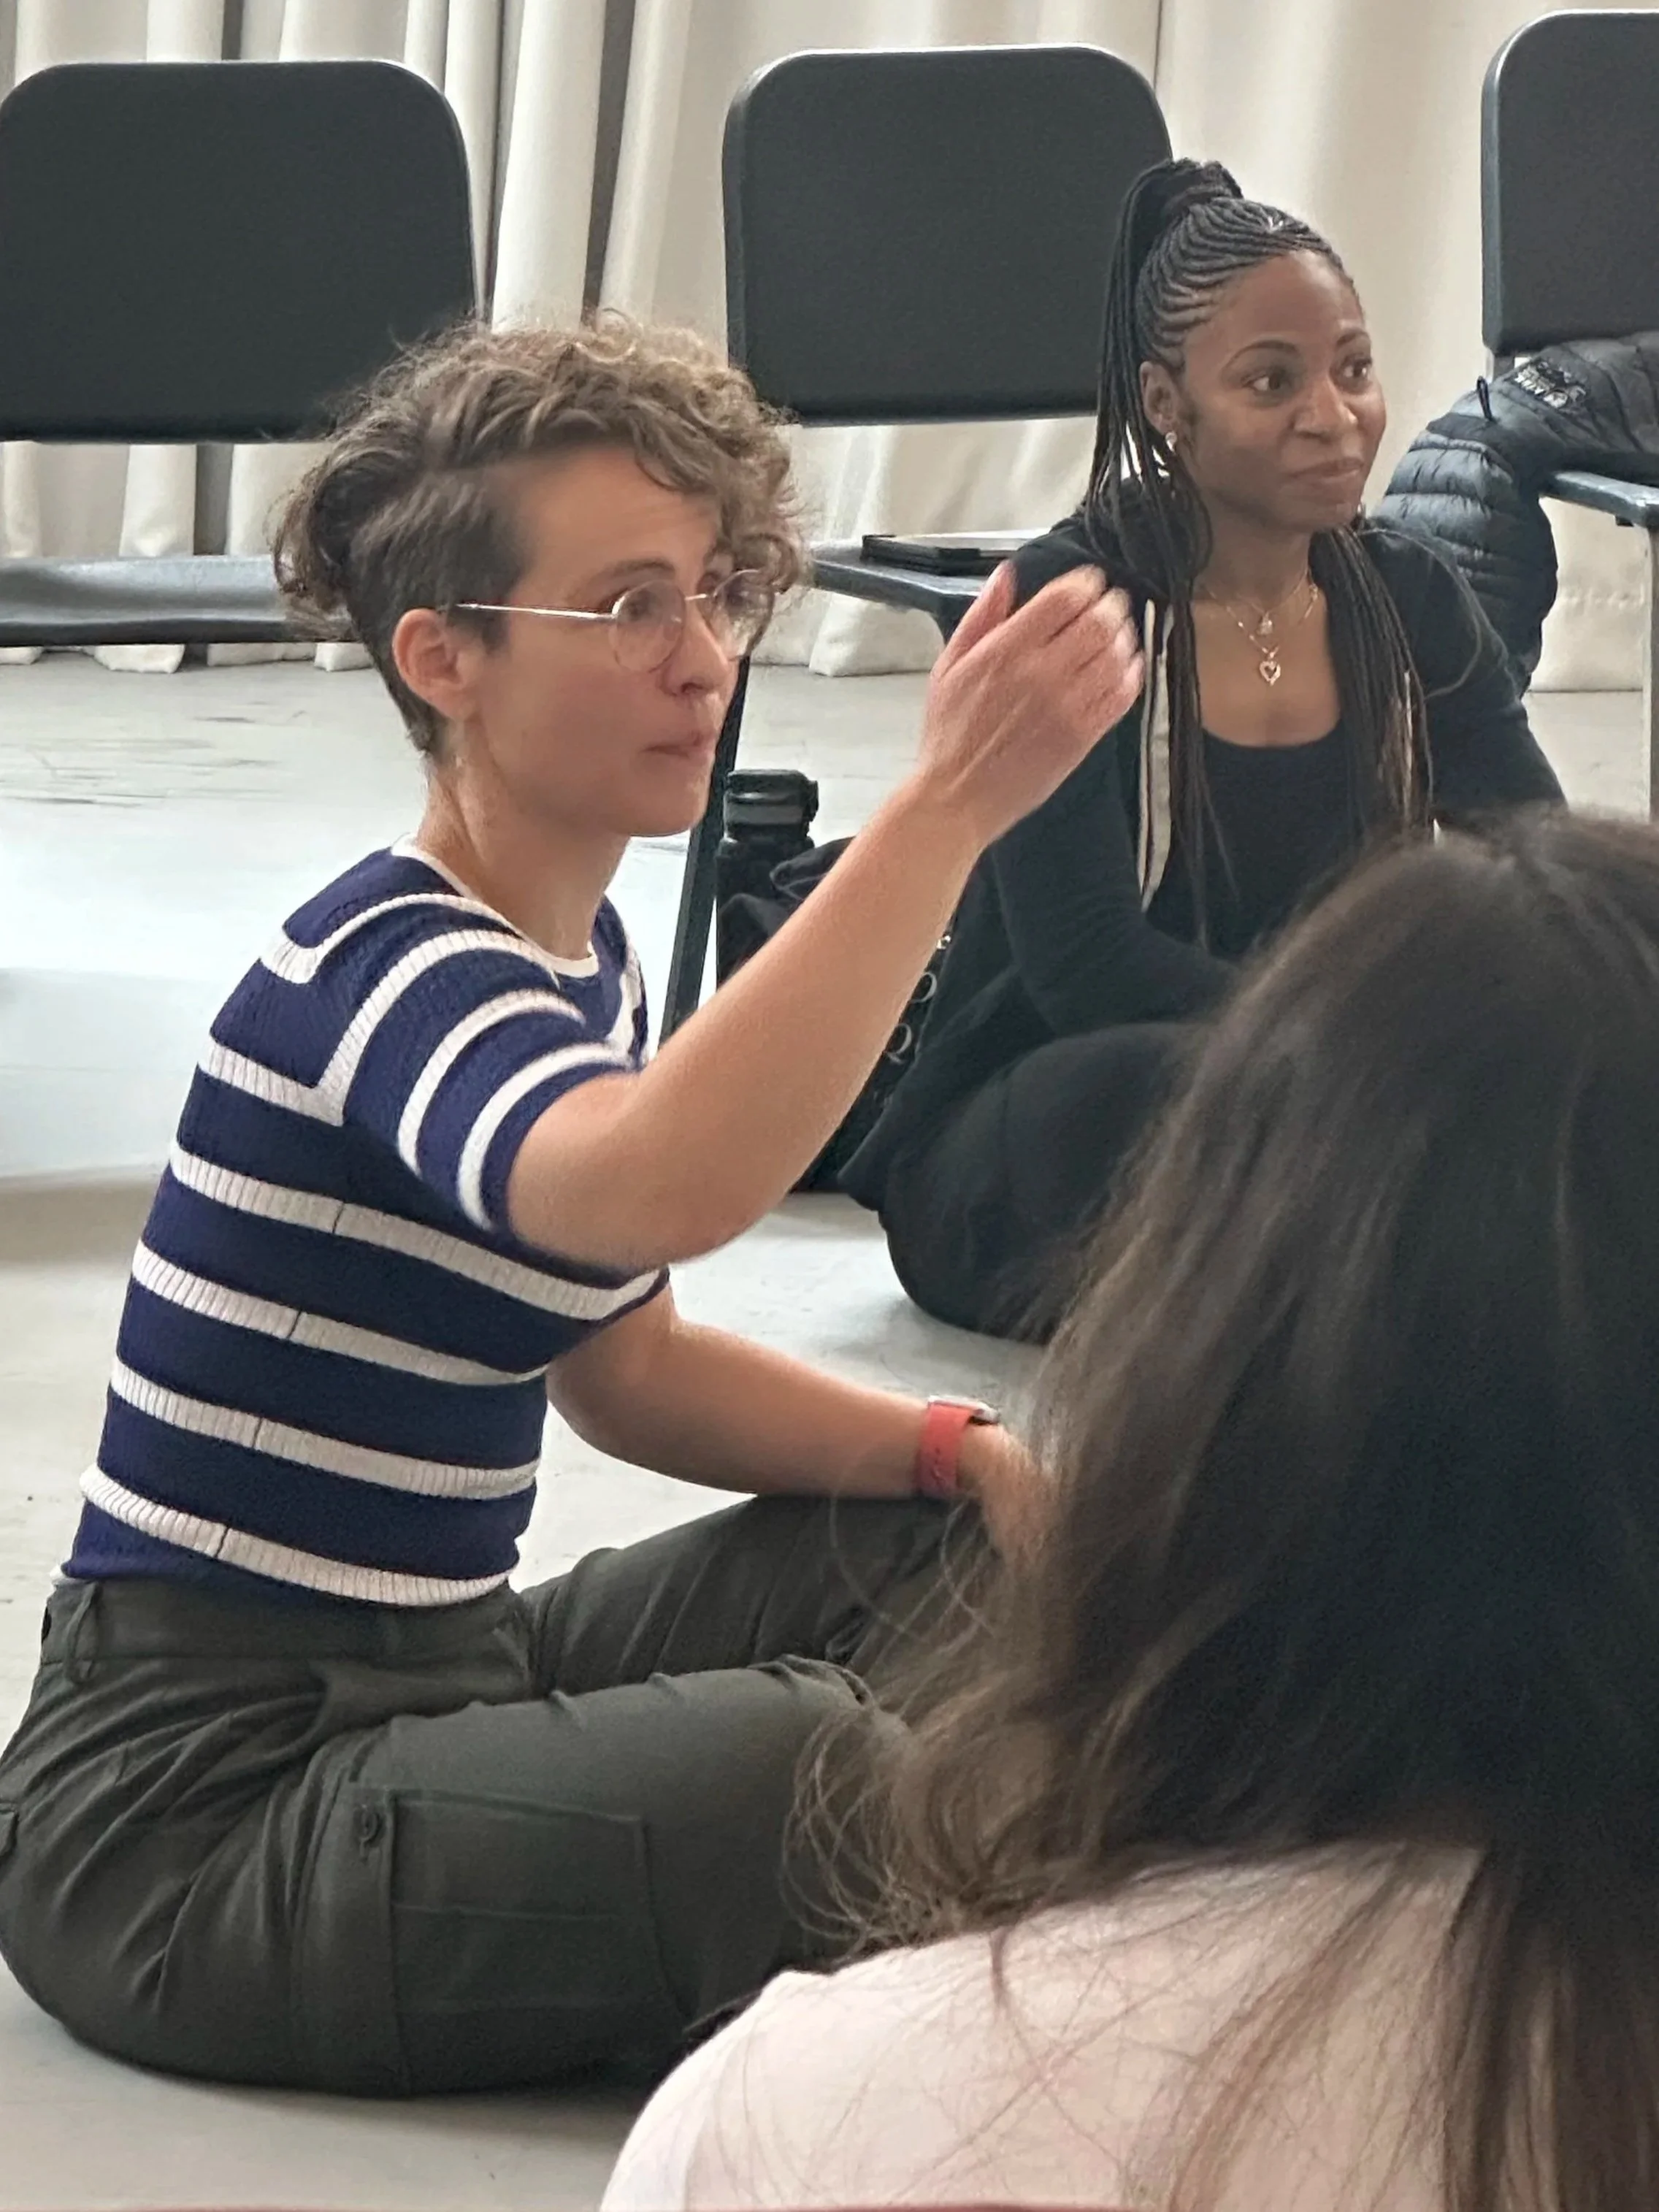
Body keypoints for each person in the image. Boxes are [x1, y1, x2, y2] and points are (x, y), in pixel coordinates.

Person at [0, 317, 1143, 2094]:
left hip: (433, 1671)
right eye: (627, 609)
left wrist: (952, 1447)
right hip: (185, 1815)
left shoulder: (575, 953)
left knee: (942, 1544)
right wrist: (944, 811)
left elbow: (627, 1361)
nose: (702, 663)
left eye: (713, 594)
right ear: (441, 657)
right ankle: (1024, 1942)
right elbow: (654, 1190)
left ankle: (952, 1896)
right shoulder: (376, 962)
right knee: (799, 1764)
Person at [608, 807, 1659, 2212]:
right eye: (633, 606)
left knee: (811, 1740)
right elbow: (1088, 961)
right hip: (1098, 1071)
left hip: (1245, 1061)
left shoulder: (802, 2122)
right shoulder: (1102, 606)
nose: (694, 657)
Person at [842, 157, 1564, 1341]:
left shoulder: (1409, 599)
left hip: (1332, 1096)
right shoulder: (1069, 605)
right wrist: (1368, 1045)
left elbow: (1535, 855)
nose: (1334, 417)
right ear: (1167, 406)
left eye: (1354, 370)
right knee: (1163, 1089)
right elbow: (1085, 966)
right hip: (1056, 1133)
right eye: (1272, 382)